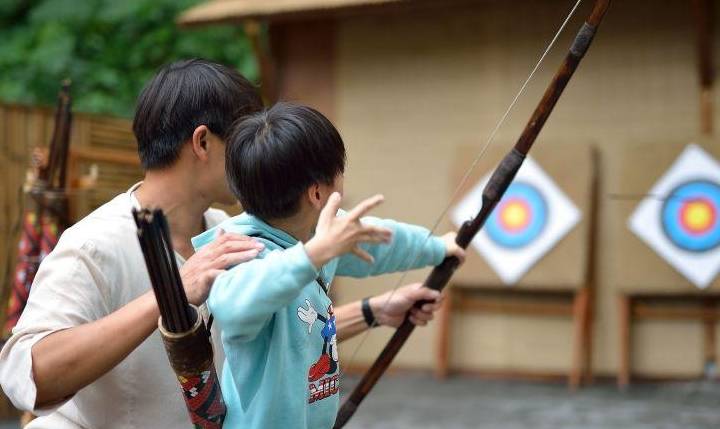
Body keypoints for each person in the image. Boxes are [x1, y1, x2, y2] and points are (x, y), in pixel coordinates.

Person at [0, 59, 449, 429]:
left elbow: (278, 336)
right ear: (203, 142)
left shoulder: (229, 229)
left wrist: (374, 311)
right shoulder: (94, 244)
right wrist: (172, 292)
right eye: (246, 139)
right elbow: (29, 374)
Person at [191, 102, 465, 429]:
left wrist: (437, 248)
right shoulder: (244, 253)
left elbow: (373, 238)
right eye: (339, 172)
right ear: (318, 193)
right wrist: (315, 254)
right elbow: (232, 304)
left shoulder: (313, 235)